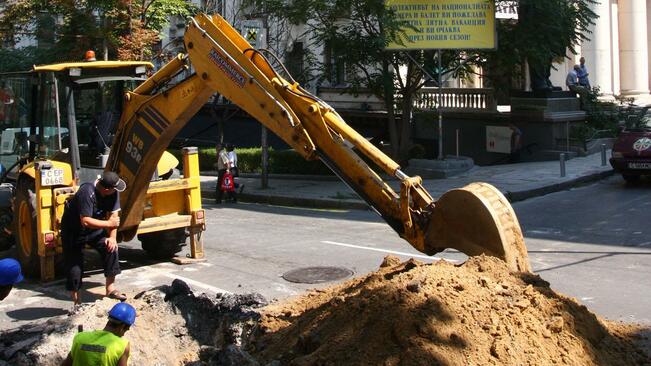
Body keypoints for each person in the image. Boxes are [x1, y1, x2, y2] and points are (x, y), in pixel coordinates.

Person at [61, 171, 126, 305]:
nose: (116, 191)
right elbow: (85, 220)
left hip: (95, 230)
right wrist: (108, 224)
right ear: (106, 189)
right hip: (74, 231)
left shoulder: (113, 193)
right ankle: (76, 303)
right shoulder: (87, 192)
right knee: (75, 267)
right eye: (114, 188)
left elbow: (114, 217)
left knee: (111, 248)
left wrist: (112, 238)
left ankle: (110, 289)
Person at [62, 302, 135, 366]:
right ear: (122, 326)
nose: (123, 335)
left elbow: (67, 364)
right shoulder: (122, 345)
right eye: (127, 329)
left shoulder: (79, 338)